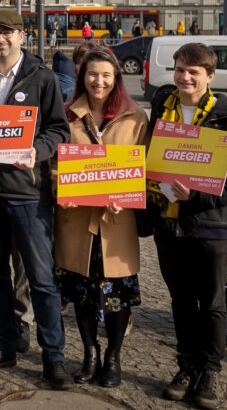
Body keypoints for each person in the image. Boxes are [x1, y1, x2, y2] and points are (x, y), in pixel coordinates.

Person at [0, 9, 73, 388]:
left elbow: (59, 130)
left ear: (21, 35)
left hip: (26, 193)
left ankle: (53, 357)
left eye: (7, 32)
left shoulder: (42, 78)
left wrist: (37, 152)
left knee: (41, 279)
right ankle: (5, 344)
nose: (0, 39)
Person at [147, 43, 227, 408]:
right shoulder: (161, 108)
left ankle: (209, 372)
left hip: (212, 226)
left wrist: (199, 195)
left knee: (212, 303)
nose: (184, 77)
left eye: (193, 72)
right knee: (181, 301)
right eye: (180, 69)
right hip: (168, 224)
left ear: (210, 76)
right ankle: (186, 367)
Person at [55, 48, 149, 387]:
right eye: (93, 74)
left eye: (106, 75)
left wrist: (126, 195)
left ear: (116, 78)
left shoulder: (136, 117)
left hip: (115, 225)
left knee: (117, 296)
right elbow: (53, 167)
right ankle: (90, 352)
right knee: (82, 293)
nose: (99, 81)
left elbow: (146, 170)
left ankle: (114, 356)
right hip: (77, 222)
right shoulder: (66, 115)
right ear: (83, 77)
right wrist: (60, 190)